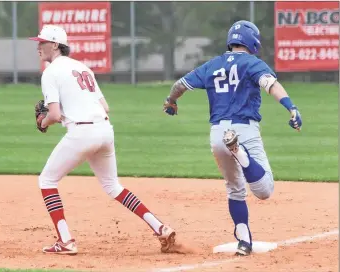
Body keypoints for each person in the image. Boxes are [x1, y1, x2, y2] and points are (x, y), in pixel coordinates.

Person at [29, 25, 177, 255]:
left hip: (81, 133)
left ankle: (66, 241)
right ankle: (161, 227)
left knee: (47, 181)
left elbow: (55, 115)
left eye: (42, 42)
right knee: (113, 186)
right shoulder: (83, 68)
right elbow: (105, 107)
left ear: (55, 45)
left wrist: (42, 122)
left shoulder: (50, 72)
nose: (38, 46)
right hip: (105, 129)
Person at [163, 20, 302, 256]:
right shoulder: (252, 63)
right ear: (253, 41)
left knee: (235, 190)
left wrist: (171, 101)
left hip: (217, 134)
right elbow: (271, 85)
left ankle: (244, 242)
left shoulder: (212, 64)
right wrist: (291, 107)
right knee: (264, 190)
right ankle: (240, 153)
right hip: (244, 129)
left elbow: (180, 85)